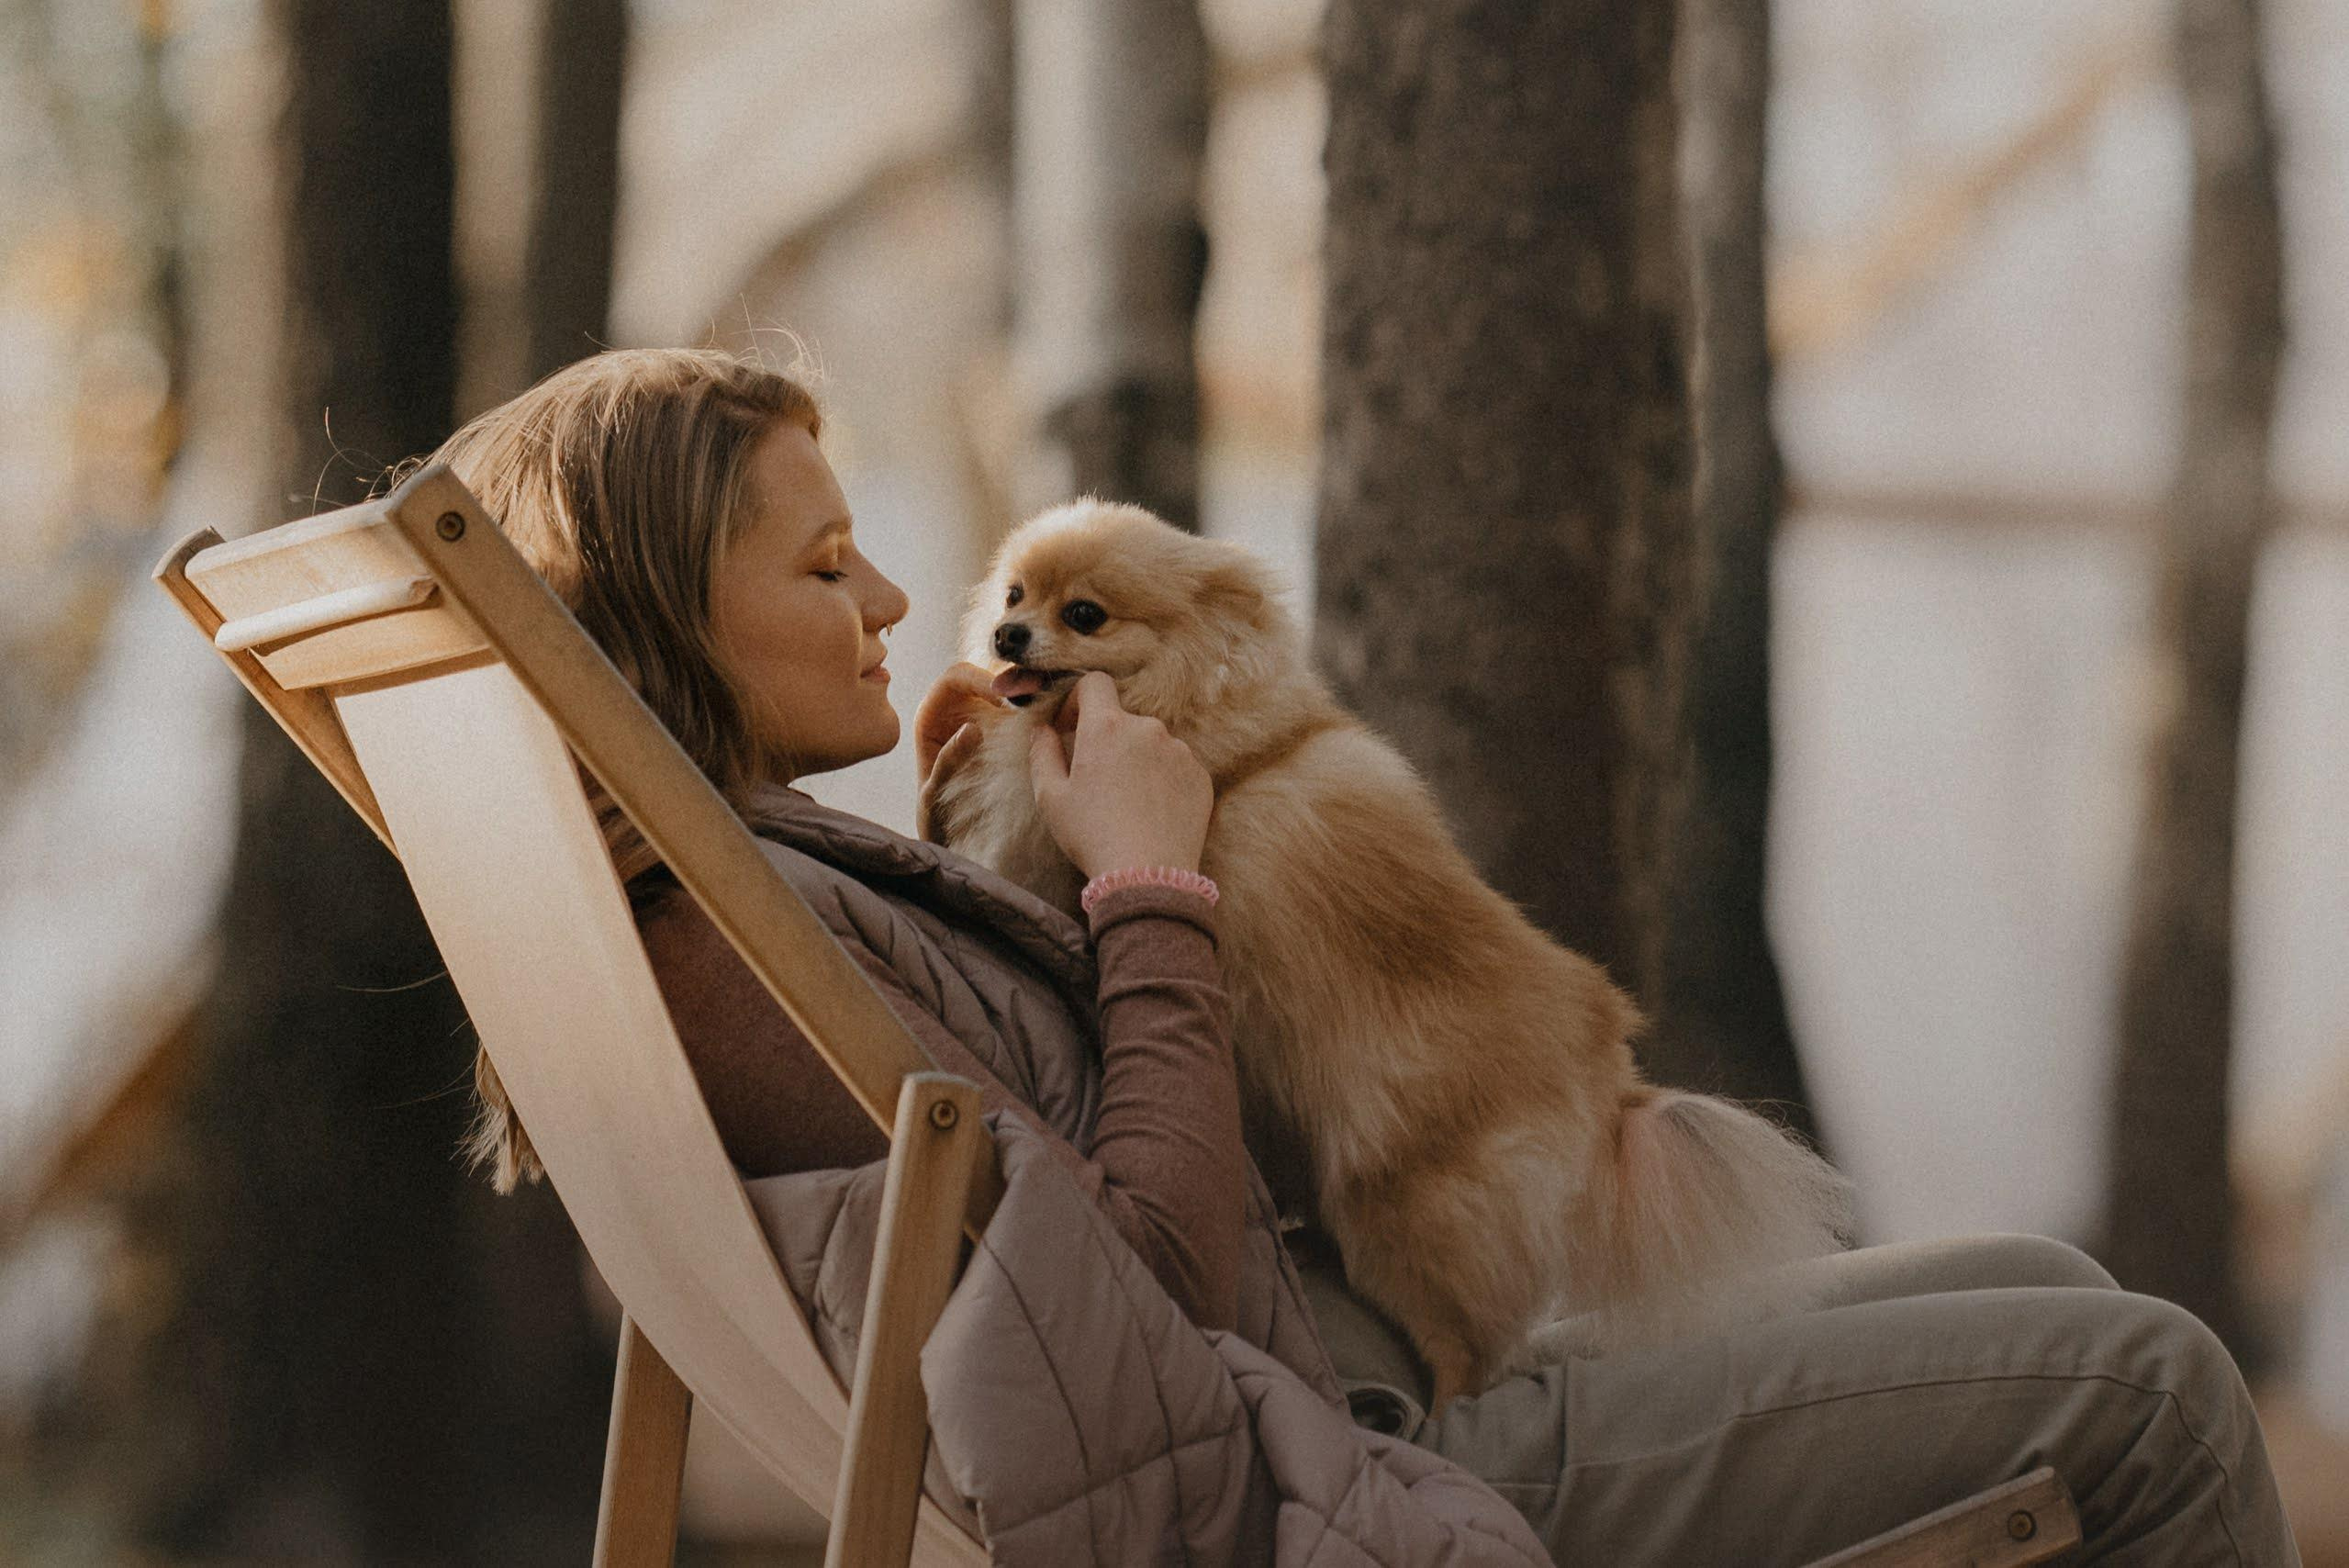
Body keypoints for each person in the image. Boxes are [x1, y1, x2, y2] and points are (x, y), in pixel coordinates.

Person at [413, 346, 2299, 1565]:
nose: (897, 598)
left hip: (1322, 1374)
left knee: (2041, 1273)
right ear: (662, 614)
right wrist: (1154, 890)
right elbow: (1124, 1291)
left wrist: (993, 864)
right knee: (2147, 1382)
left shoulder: (711, 901)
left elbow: (1017, 1220)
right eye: (823, 566)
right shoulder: (723, 954)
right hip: (1335, 1463)